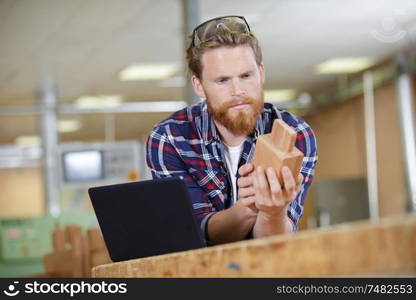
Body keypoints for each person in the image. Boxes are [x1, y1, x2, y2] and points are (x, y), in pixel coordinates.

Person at [146, 16, 317, 245]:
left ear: (261, 73)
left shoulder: (297, 134)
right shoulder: (169, 139)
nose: (238, 90)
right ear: (199, 86)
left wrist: (272, 212)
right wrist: (248, 207)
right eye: (222, 80)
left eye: (246, 76)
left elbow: (277, 243)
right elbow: (196, 235)